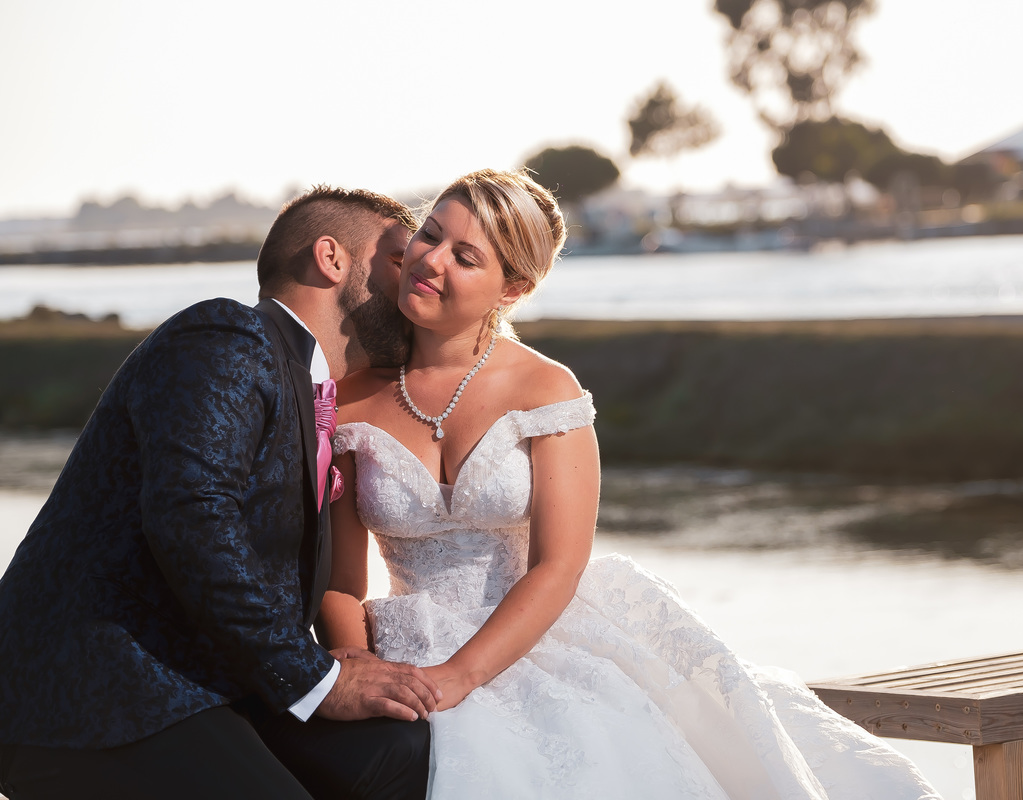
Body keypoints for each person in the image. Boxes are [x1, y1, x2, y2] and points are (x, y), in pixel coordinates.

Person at [322, 168, 944, 799]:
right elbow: (341, 580)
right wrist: (357, 668)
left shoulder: (546, 391)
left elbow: (558, 566)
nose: (430, 260)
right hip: (406, 637)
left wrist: (459, 676)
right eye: (430, 234)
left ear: (512, 287)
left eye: (466, 256)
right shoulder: (347, 403)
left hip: (536, 633)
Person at [0, 187, 438, 800]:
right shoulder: (227, 336)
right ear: (331, 258)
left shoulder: (316, 393)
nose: (415, 282)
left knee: (403, 751)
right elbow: (191, 517)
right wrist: (315, 677)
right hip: (99, 689)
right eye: (398, 260)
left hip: (217, 681)